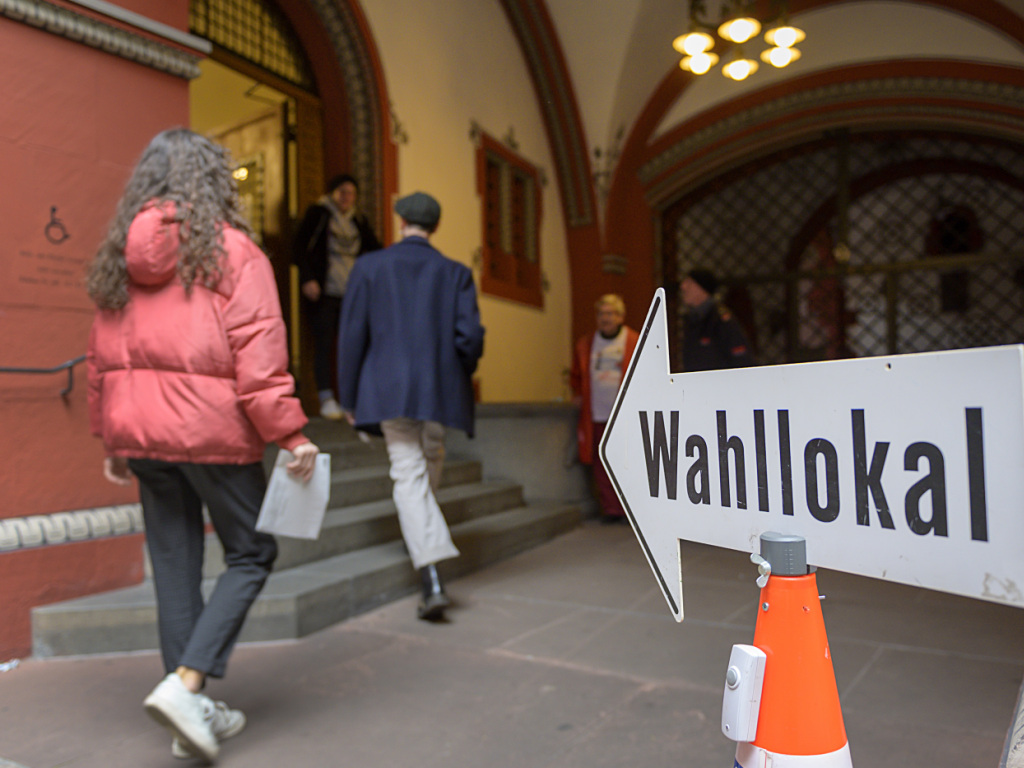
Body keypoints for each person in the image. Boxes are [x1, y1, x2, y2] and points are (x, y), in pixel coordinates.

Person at [86, 128, 319, 764]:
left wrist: (112, 436)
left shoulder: (118, 257)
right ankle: (186, 687)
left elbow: (101, 357)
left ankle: (184, 710)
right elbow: (259, 353)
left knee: (175, 566)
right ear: (212, 180)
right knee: (253, 552)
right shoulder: (235, 252)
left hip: (144, 436)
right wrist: (289, 432)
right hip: (211, 434)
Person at [336, 191, 485, 622]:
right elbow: (470, 338)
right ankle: (426, 554)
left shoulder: (369, 267)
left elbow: (352, 336)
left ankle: (430, 574)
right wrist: (456, 371)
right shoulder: (456, 273)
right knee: (429, 457)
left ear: (401, 221)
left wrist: (349, 396)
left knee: (409, 472)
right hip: (439, 388)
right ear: (435, 227)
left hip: (388, 387)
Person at [292, 173, 382, 419]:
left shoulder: (358, 220)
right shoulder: (318, 214)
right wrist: (308, 278)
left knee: (354, 344)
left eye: (351, 193)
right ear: (332, 193)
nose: (346, 197)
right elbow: (299, 247)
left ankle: (354, 399)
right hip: (324, 293)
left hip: (352, 293)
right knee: (323, 343)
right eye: (342, 192)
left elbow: (375, 250)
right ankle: (326, 398)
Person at [569, 295, 639, 524]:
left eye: (610, 313)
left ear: (620, 317)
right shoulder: (586, 344)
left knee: (628, 461)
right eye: (601, 314)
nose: (605, 318)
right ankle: (611, 509)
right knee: (602, 461)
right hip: (597, 414)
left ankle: (630, 509)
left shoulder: (633, 340)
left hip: (626, 415)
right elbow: (576, 375)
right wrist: (578, 394)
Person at [679, 268, 754, 371]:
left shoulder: (720, 321)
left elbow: (741, 359)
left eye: (689, 283)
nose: (683, 286)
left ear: (701, 288)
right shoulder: (692, 320)